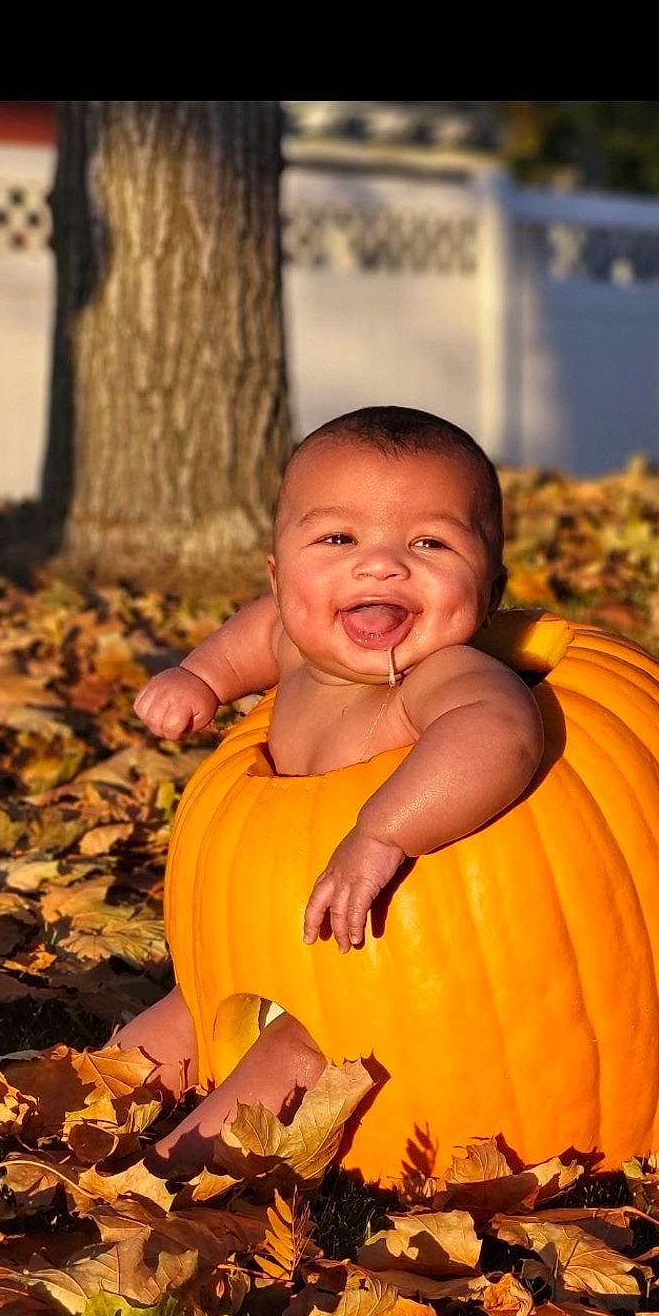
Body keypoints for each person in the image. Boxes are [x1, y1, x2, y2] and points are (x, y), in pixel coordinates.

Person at [114, 406, 545, 1172]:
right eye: (338, 539)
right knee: (173, 1022)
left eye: (430, 543)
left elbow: (496, 735)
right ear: (280, 576)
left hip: (370, 980)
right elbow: (256, 634)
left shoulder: (444, 676)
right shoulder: (293, 641)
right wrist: (201, 678)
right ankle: (77, 1103)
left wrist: (383, 834)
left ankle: (173, 1173)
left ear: (490, 592)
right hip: (262, 948)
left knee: (293, 1048)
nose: (380, 565)